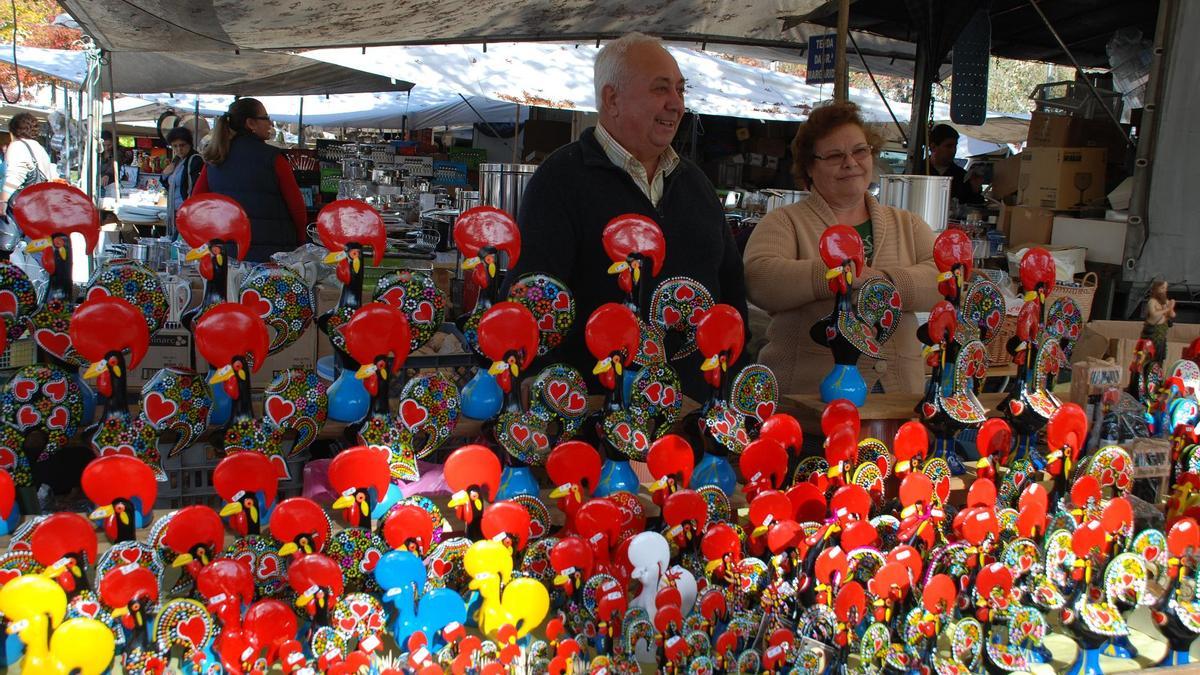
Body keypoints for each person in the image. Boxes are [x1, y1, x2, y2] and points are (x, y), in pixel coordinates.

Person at [502, 32, 748, 400]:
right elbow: (534, 298)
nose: (676, 105)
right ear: (612, 99)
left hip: (692, 415)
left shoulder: (696, 185)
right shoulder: (562, 178)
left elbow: (731, 294)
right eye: (660, 89)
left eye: (680, 90)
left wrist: (729, 390)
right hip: (590, 415)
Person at [743, 102, 941, 395]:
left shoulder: (907, 224)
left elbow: (942, 279)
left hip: (896, 395)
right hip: (806, 398)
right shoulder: (785, 222)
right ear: (809, 167)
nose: (851, 162)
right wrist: (836, 277)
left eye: (860, 151)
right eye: (835, 155)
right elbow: (760, 279)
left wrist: (883, 282)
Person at [192, 98, 306, 261]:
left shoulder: (215, 158)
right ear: (251, 123)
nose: (270, 123)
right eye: (266, 118)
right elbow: (297, 208)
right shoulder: (274, 158)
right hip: (273, 256)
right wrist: (300, 241)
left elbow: (196, 204)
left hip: (227, 253)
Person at [0, 112, 58, 216]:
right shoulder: (40, 148)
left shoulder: (18, 146)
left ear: (13, 130)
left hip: (20, 208)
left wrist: (2, 201)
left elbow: (15, 177)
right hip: (38, 207)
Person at [924, 123, 984, 206]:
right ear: (933, 147)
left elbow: (974, 208)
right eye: (948, 146)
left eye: (955, 146)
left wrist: (975, 189)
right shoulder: (917, 170)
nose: (953, 151)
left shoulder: (962, 176)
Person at [162, 126, 204, 233]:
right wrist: (164, 174)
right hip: (175, 211)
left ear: (189, 144)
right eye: (175, 146)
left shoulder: (195, 160)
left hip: (187, 212)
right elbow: (170, 184)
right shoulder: (177, 162)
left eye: (182, 145)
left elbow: (195, 187)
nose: (178, 149)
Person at [1141, 280, 1176, 364]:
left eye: (1166, 288)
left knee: (1159, 356)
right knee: (1148, 356)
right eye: (1162, 288)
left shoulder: (1166, 301)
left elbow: (1172, 315)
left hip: (1161, 334)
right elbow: (1154, 314)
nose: (1165, 290)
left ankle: (1156, 372)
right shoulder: (1152, 302)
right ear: (1157, 289)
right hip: (1151, 333)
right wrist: (1166, 309)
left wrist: (1171, 307)